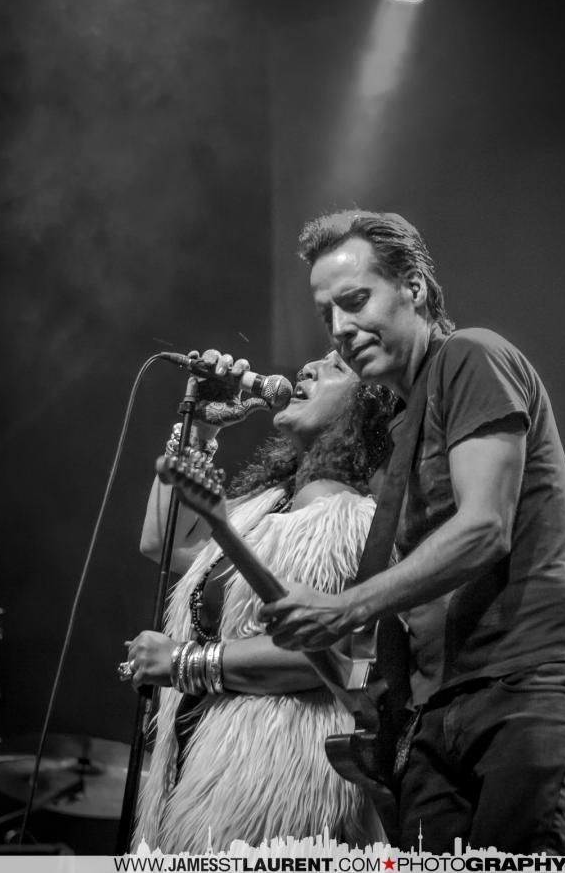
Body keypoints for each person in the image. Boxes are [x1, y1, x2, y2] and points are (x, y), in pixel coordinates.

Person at [261, 210, 565, 855]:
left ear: (415, 288)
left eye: (355, 301)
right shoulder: (399, 427)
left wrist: (344, 608)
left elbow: (485, 527)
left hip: (528, 681)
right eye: (327, 315)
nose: (340, 328)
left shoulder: (470, 356)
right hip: (433, 714)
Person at [124, 349, 394, 852]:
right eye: (316, 361)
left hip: (277, 780)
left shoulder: (348, 515)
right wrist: (199, 429)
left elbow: (326, 659)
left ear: (369, 409)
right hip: (204, 769)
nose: (308, 369)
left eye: (336, 367)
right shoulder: (269, 505)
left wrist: (183, 662)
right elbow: (162, 541)